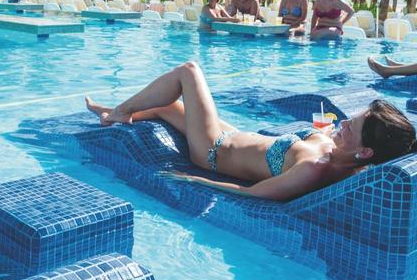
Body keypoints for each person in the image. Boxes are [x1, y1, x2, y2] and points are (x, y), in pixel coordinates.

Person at [84, 61, 417, 201]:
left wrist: (188, 180)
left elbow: (249, 195)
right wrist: (330, 135)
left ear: (365, 151)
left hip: (212, 151)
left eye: (351, 126)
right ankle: (114, 113)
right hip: (232, 134)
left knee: (189, 71)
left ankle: (119, 111)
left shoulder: (315, 171)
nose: (343, 123)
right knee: (163, 108)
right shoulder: (347, 158)